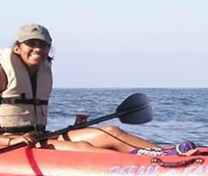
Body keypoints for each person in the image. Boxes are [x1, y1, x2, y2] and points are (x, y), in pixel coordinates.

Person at [0, 24, 170, 154]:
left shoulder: (43, 71)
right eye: (31, 43)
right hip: (12, 143)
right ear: (17, 48)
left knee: (110, 131)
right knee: (82, 147)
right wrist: (10, 142)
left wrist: (75, 127)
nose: (38, 48)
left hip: (41, 137)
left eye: (43, 45)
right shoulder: (3, 72)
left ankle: (167, 155)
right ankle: (147, 163)